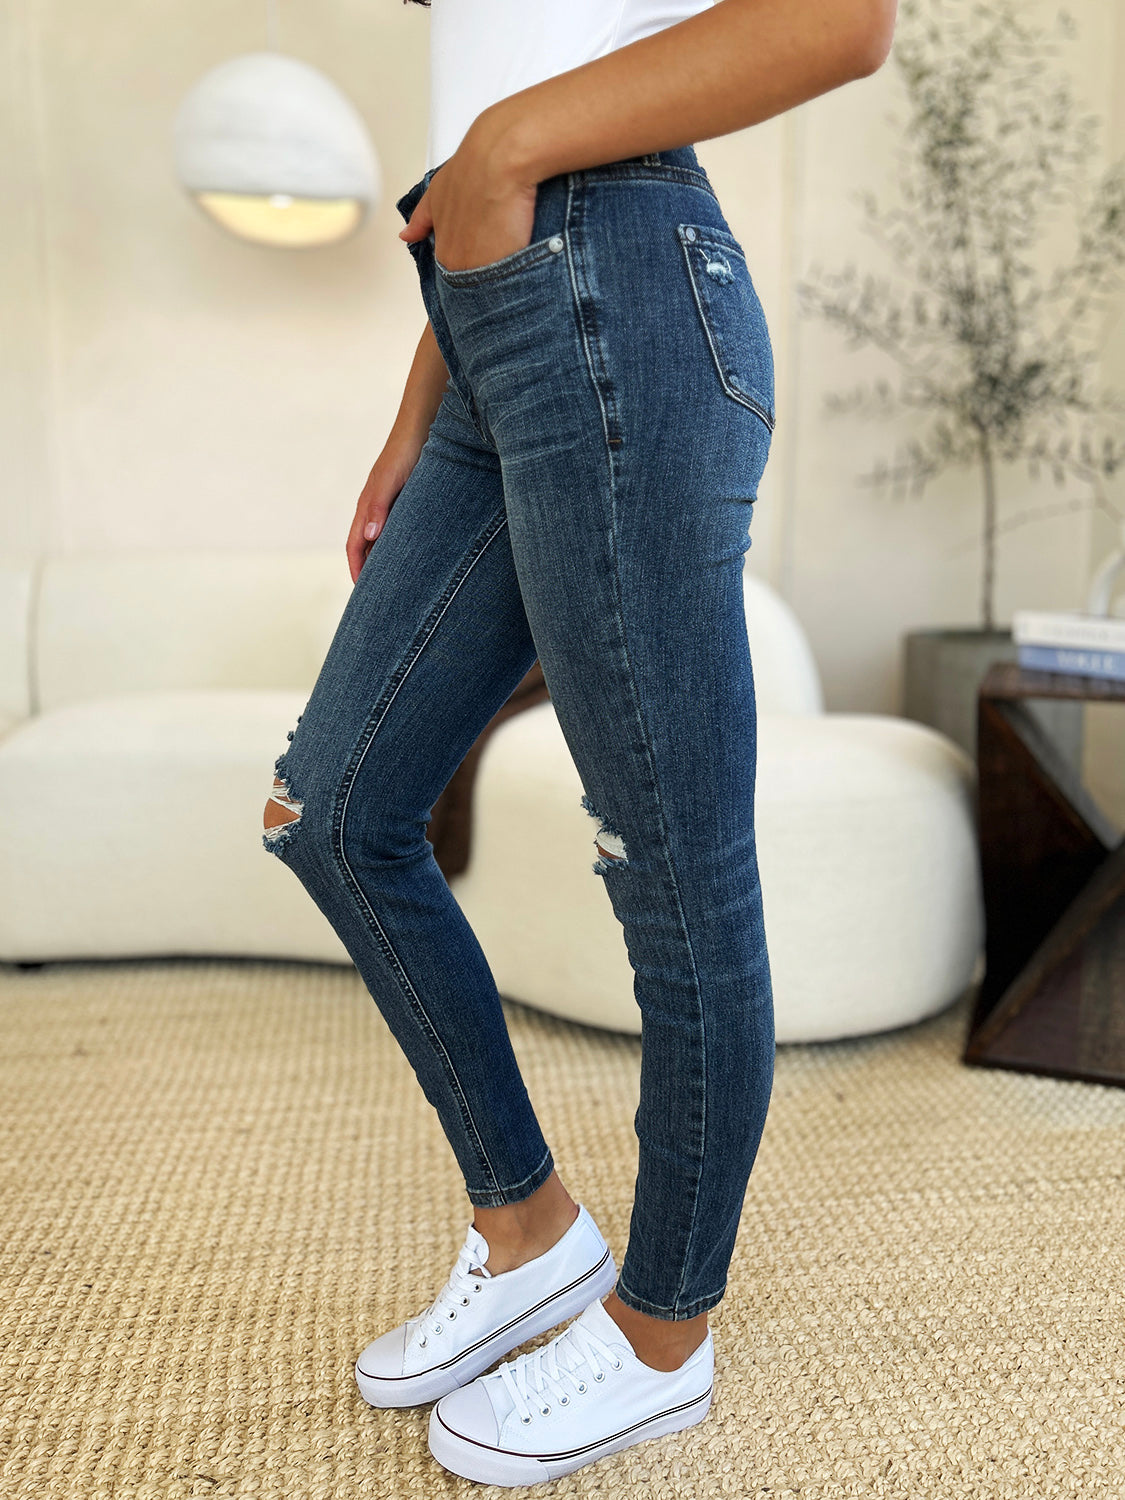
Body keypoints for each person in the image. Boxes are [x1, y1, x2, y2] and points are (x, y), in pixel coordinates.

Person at [262, 0, 896, 1484]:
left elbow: (841, 20)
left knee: (669, 867)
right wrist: (425, 394)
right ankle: (529, 1228)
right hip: (493, 325)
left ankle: (664, 1331)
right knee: (334, 809)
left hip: (620, 292)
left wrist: (500, 153)